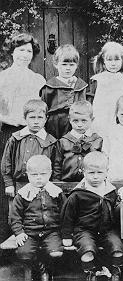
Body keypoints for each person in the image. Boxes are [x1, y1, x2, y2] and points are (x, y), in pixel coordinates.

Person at [0, 33, 46, 242]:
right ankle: (5, 231)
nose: (25, 55)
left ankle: (29, 232)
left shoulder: (37, 79)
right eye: (20, 50)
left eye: (29, 51)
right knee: (7, 179)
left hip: (31, 134)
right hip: (9, 132)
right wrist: (12, 119)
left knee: (29, 176)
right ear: (12, 52)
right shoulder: (3, 77)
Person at [60, 151, 123, 281]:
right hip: (84, 230)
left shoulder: (110, 191)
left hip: (107, 230)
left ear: (107, 171)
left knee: (117, 247)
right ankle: (90, 274)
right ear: (83, 172)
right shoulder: (77, 194)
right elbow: (67, 216)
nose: (95, 177)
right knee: (87, 250)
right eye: (91, 173)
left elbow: (116, 213)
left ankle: (115, 272)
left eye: (100, 172)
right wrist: (66, 235)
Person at [9, 155, 65, 281]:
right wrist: (19, 232)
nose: (39, 178)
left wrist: (65, 232)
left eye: (43, 174)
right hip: (29, 232)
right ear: (28, 174)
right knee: (24, 254)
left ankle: (47, 268)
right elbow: (15, 216)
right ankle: (38, 268)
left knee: (56, 252)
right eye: (34, 175)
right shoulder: (23, 194)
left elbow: (65, 213)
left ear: (50, 173)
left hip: (51, 231)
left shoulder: (56, 192)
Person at [1, 99, 59, 198]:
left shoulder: (51, 142)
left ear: (46, 119)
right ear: (25, 118)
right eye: (32, 117)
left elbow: (56, 166)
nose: (36, 122)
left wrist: (53, 185)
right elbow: (6, 162)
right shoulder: (16, 139)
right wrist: (9, 184)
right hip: (17, 185)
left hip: (43, 186)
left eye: (40, 117)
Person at [40, 44, 88, 139]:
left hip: (76, 125)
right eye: (64, 64)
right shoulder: (49, 87)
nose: (68, 68)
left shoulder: (81, 86)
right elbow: (43, 109)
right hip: (54, 127)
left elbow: (86, 108)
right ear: (56, 64)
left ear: (76, 66)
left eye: (71, 65)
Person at [89, 41, 123, 136]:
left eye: (117, 59)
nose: (113, 64)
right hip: (102, 118)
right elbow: (91, 101)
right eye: (109, 60)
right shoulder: (98, 80)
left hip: (122, 119)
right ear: (103, 61)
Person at [55, 101, 103, 182]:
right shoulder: (63, 141)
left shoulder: (97, 140)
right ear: (70, 120)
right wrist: (56, 182)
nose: (79, 124)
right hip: (67, 183)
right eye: (75, 121)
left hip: (91, 183)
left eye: (84, 121)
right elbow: (57, 165)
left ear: (92, 119)